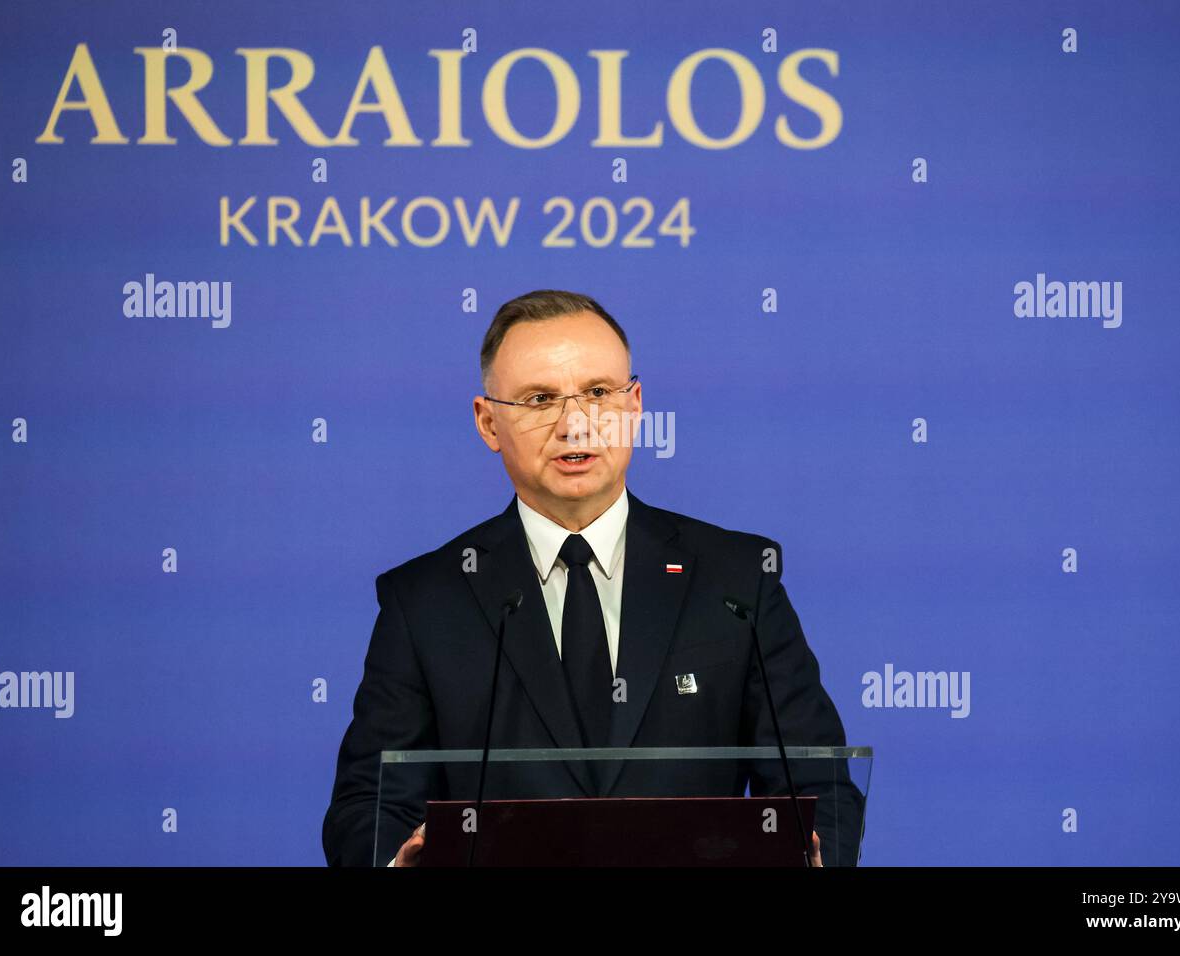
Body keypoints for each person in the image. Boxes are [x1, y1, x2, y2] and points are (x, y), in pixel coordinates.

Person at [321, 289, 864, 866]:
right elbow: (367, 808)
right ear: (488, 422)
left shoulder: (737, 580)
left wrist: (814, 856)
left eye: (599, 393)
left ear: (635, 404)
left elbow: (819, 786)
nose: (575, 424)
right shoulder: (426, 601)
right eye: (539, 399)